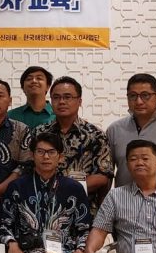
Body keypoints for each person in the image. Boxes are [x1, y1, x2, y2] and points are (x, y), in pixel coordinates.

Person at [0, 132, 92, 253]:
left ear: (60, 156)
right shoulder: (17, 186)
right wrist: (12, 244)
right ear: (32, 155)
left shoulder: (74, 188)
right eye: (40, 152)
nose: (46, 157)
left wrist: (79, 252)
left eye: (51, 152)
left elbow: (84, 227)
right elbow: (4, 223)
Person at [27, 76, 114, 206]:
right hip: (42, 205)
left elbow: (103, 175)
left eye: (67, 97)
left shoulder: (95, 135)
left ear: (79, 101)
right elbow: (28, 168)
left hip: (82, 206)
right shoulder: (39, 132)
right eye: (56, 97)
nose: (61, 102)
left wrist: (65, 189)